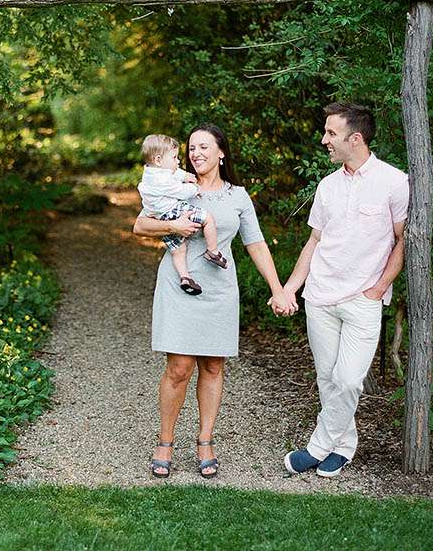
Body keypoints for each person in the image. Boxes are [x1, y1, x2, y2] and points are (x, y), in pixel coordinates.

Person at [133, 123, 291, 479]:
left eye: (204, 147)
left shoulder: (238, 196)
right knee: (179, 367)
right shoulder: (173, 186)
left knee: (213, 367)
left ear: (221, 153)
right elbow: (140, 226)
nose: (196, 153)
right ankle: (165, 441)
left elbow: (256, 243)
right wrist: (172, 228)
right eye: (191, 147)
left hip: (220, 288)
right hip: (180, 283)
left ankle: (205, 440)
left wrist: (277, 288)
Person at [279, 102, 409, 478]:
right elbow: (314, 241)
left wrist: (380, 286)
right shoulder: (327, 186)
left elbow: (402, 240)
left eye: (331, 134)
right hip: (319, 296)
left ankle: (316, 448)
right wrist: (291, 288)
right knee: (327, 379)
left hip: (363, 300)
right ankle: (343, 445)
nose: (324, 141)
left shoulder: (394, 181)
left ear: (356, 138)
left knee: (349, 379)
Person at [137, 133, 228, 296]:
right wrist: (195, 188)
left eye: (204, 147)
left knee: (178, 250)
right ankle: (213, 251)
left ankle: (185, 277)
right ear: (158, 160)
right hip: (173, 212)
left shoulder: (152, 173)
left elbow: (172, 172)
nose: (178, 161)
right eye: (174, 157)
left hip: (159, 215)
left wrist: (185, 175)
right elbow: (179, 191)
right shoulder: (162, 182)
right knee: (208, 219)